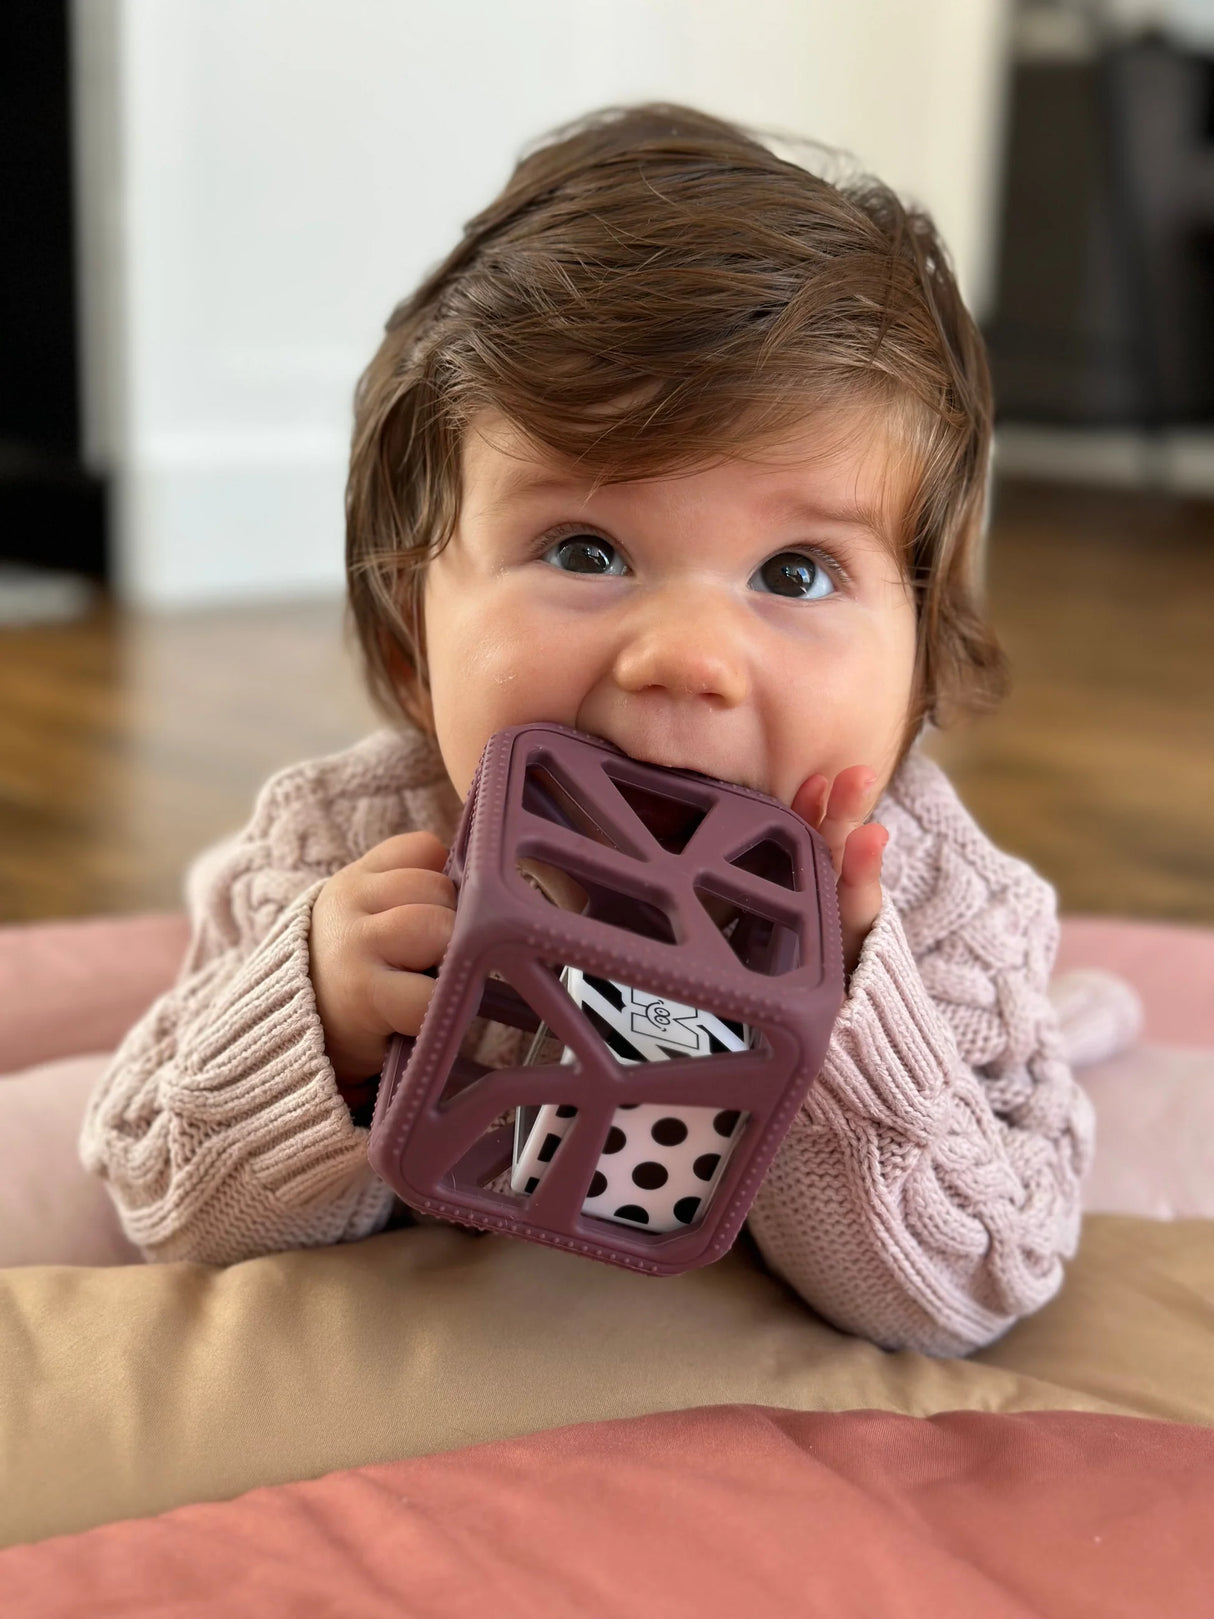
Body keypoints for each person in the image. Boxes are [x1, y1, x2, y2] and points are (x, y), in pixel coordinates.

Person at [81, 103, 1127, 1355]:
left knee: (1019, 1050)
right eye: (584, 551)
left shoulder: (936, 905)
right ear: (413, 637)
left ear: (917, 668)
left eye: (794, 572)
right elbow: (157, 1191)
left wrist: (850, 1020)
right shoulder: (345, 848)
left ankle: (1073, 1015)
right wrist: (317, 1021)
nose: (686, 657)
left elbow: (977, 1282)